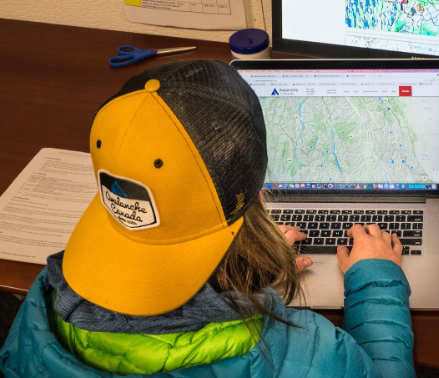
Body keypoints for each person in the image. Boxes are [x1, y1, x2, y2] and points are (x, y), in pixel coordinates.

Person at [0, 60, 415, 377]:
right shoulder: (305, 353)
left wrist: (239, 285)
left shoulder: (40, 308)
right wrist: (376, 282)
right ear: (258, 197)